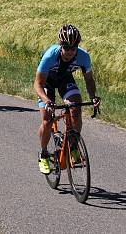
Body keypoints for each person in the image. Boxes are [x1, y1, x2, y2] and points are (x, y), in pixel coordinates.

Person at [34, 24, 101, 175]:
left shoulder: (83, 56)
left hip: (65, 79)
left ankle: (73, 145)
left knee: (76, 107)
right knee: (47, 119)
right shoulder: (50, 55)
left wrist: (93, 97)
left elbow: (89, 80)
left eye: (74, 47)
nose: (70, 51)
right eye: (66, 47)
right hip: (47, 82)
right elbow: (38, 84)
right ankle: (43, 154)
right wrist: (47, 100)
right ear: (60, 45)